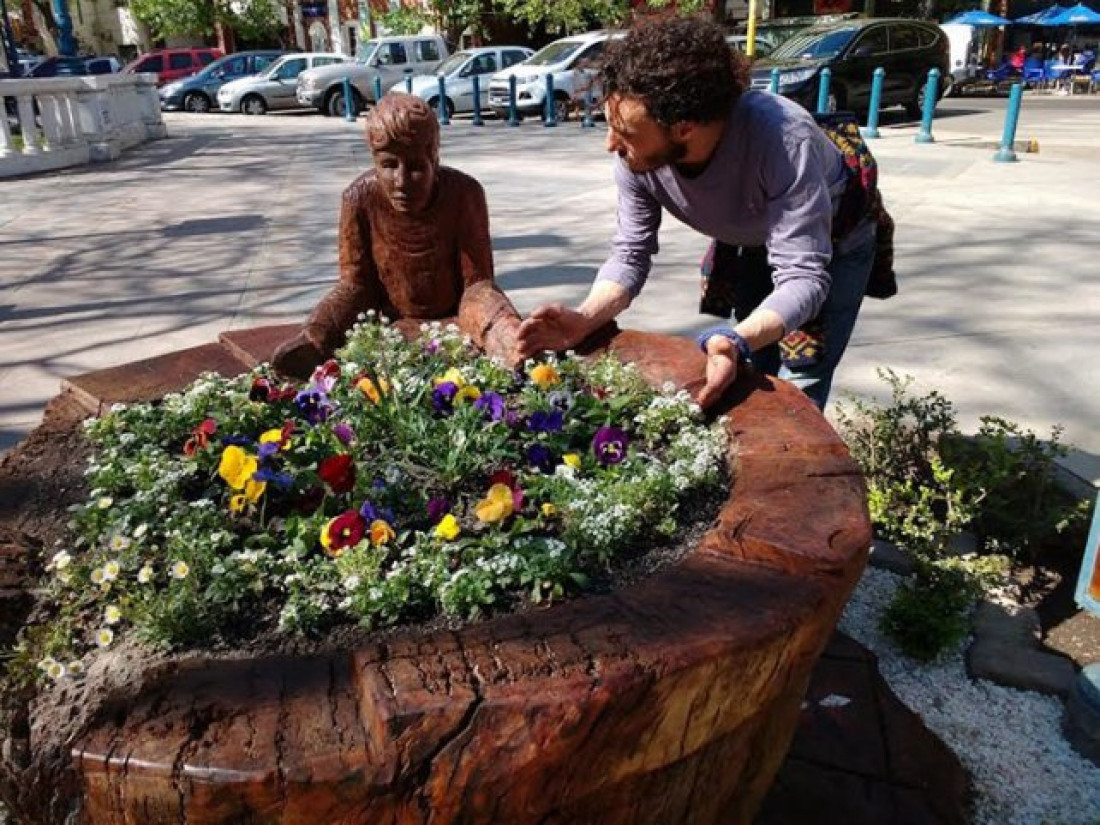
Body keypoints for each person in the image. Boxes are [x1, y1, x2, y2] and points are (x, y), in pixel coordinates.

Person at [515, 17, 878, 411]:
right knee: (752, 368)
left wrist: (734, 339)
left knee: (799, 380)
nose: (611, 144)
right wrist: (586, 318)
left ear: (684, 128)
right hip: (752, 237)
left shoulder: (783, 139)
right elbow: (630, 254)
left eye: (627, 133)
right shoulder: (637, 154)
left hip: (836, 242)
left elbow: (804, 276)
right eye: (610, 125)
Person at [273, 93, 521, 378]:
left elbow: (477, 284)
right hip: (393, 320)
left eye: (416, 167)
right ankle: (312, 344)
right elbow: (355, 285)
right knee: (341, 304)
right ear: (375, 161)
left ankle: (512, 343)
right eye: (389, 166)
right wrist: (321, 329)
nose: (401, 181)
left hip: (459, 313)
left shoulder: (464, 194)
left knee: (490, 306)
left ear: (434, 158)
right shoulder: (358, 199)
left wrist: (498, 324)